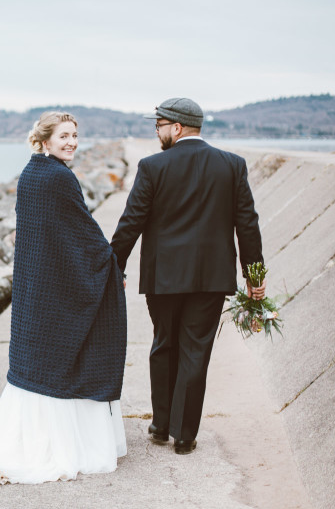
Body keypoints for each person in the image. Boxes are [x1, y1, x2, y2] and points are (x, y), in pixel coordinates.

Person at [0, 111, 128, 486]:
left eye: (75, 135)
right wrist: (110, 265)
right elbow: (84, 233)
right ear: (44, 140)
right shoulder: (59, 177)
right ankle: (62, 446)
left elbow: (53, 234)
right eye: (64, 136)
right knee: (71, 353)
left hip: (35, 289)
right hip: (52, 289)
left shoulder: (30, 174)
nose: (72, 142)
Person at [110, 97, 265, 455]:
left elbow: (130, 222)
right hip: (211, 278)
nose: (157, 133)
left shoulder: (152, 167)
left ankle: (161, 425)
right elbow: (248, 225)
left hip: (163, 278)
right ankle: (184, 435)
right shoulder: (232, 165)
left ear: (176, 128)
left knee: (164, 344)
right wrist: (254, 276)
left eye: (159, 126)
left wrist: (114, 266)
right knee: (196, 350)